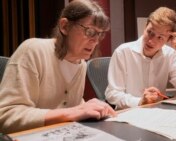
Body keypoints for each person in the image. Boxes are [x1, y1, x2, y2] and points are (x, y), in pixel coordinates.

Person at [0, 0, 116, 134]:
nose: (95, 41)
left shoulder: (81, 64)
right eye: (89, 31)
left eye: (100, 34)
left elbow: (71, 105)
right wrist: (73, 112)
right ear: (65, 26)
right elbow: (5, 115)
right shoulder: (33, 51)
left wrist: (87, 107)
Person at [105, 7, 176, 109]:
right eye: (150, 32)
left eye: (160, 37)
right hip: (129, 113)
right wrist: (140, 101)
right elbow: (112, 94)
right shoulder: (123, 52)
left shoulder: (170, 54)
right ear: (145, 26)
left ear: (169, 39)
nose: (151, 41)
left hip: (157, 114)